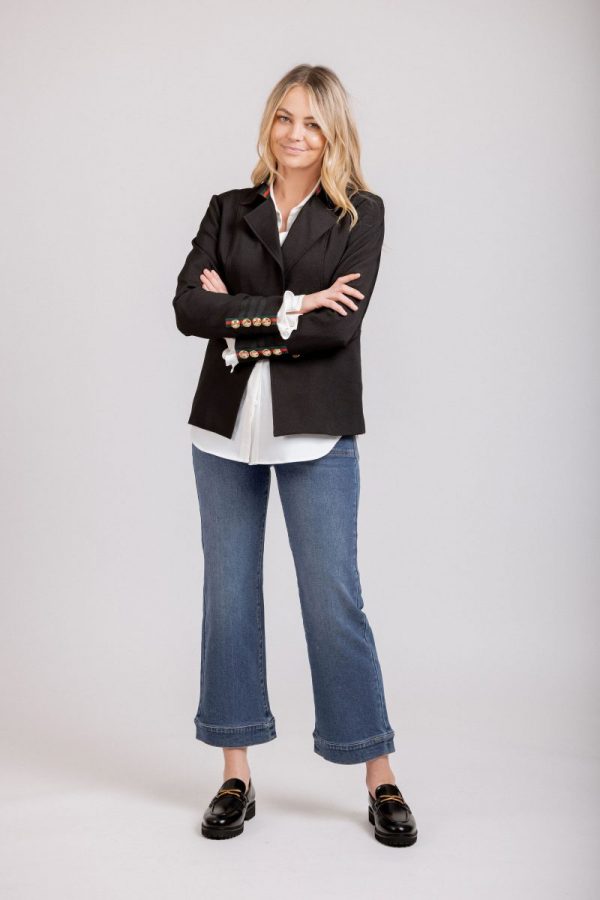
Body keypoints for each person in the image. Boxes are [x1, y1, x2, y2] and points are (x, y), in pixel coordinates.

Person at [172, 64, 418, 847]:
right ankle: (235, 774)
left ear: (332, 132)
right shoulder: (229, 208)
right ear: (268, 124)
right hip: (224, 431)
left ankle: (378, 774)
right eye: (284, 117)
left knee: (332, 599)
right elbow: (188, 308)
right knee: (229, 597)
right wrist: (292, 305)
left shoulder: (360, 215)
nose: (295, 134)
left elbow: (337, 328)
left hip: (316, 430)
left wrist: (241, 315)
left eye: (312, 122)